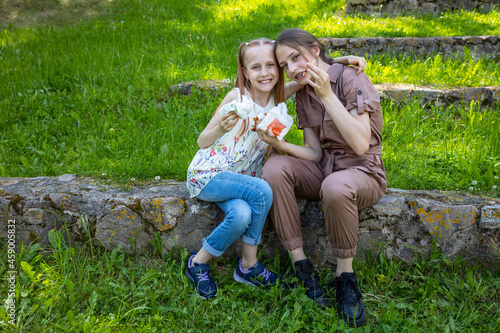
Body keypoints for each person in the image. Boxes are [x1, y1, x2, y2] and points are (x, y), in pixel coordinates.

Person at [258, 28, 386, 327]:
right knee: (275, 167)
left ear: (315, 50)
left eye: (295, 58)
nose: (291, 69)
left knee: (336, 186)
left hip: (363, 170)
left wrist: (327, 93)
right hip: (326, 167)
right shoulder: (303, 92)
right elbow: (315, 153)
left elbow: (360, 143)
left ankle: (345, 277)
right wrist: (280, 146)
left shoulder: (350, 77)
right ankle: (301, 266)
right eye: (284, 65)